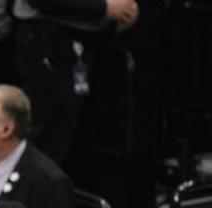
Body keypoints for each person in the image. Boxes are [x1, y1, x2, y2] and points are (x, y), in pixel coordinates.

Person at [13, 0, 138, 165]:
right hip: (47, 39)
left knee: (66, 137)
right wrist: (104, 7)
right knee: (38, 133)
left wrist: (123, 10)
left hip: (83, 42)